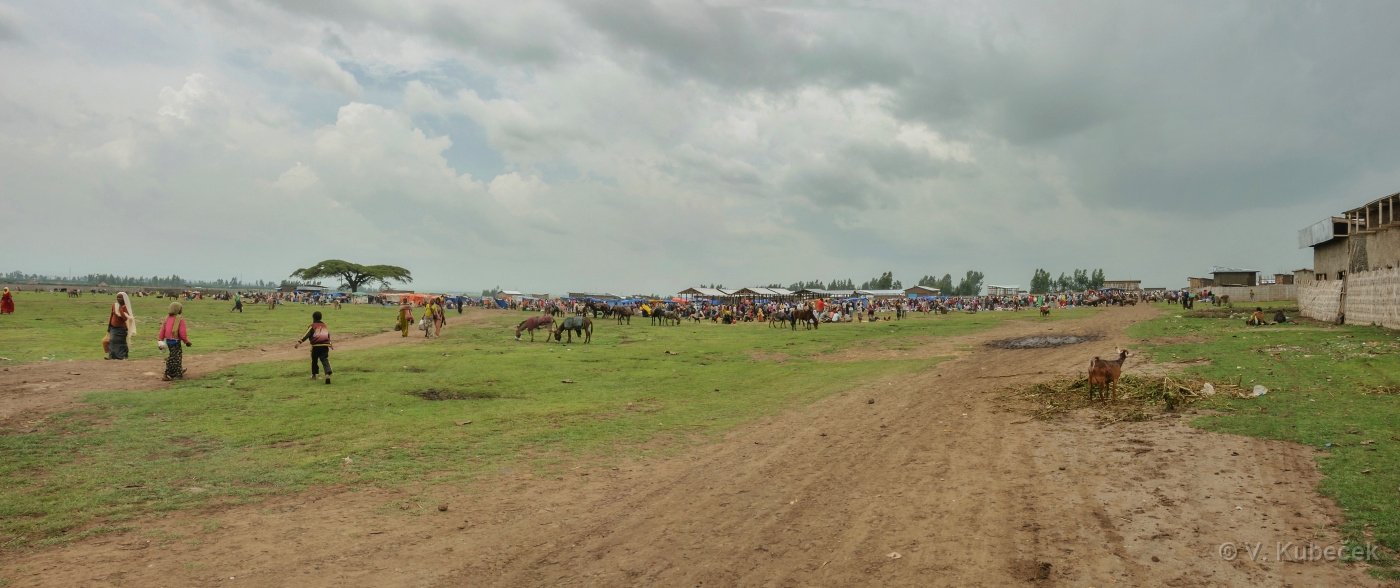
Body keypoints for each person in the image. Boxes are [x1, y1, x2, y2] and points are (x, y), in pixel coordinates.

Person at [295, 311, 334, 384]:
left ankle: (314, 375)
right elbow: (327, 335)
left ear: (313, 318)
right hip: (325, 346)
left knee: (314, 360)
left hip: (316, 346)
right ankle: (327, 374)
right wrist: (330, 344)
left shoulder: (312, 326)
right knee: (325, 360)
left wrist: (299, 341)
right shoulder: (324, 326)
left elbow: (307, 334)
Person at [159, 302, 191, 380]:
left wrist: (160, 340)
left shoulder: (167, 318)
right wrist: (186, 341)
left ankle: (178, 371)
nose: (181, 310)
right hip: (176, 342)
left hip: (168, 341)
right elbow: (182, 333)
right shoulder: (180, 319)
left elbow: (162, 330)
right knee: (174, 358)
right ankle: (167, 374)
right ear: (177, 309)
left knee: (177, 357)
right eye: (181, 308)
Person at [107, 292, 136, 360]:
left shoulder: (125, 307)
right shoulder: (114, 305)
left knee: (121, 342)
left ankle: (122, 356)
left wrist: (120, 310)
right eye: (117, 297)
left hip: (121, 328)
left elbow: (125, 318)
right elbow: (111, 315)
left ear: (124, 299)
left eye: (120, 297)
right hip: (113, 327)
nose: (118, 299)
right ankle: (111, 356)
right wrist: (109, 327)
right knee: (112, 340)